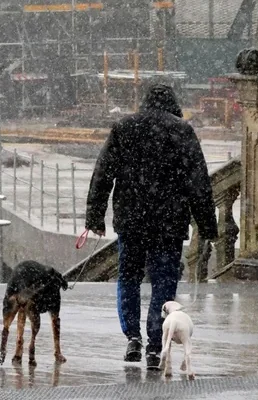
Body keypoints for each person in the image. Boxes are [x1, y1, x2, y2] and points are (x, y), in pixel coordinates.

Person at [85, 84, 218, 370]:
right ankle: (156, 346)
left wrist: (94, 217)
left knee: (129, 277)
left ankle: (133, 337)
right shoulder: (182, 131)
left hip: (131, 219)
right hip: (169, 222)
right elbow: (199, 183)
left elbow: (102, 173)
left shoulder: (124, 127)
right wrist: (207, 225)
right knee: (164, 282)